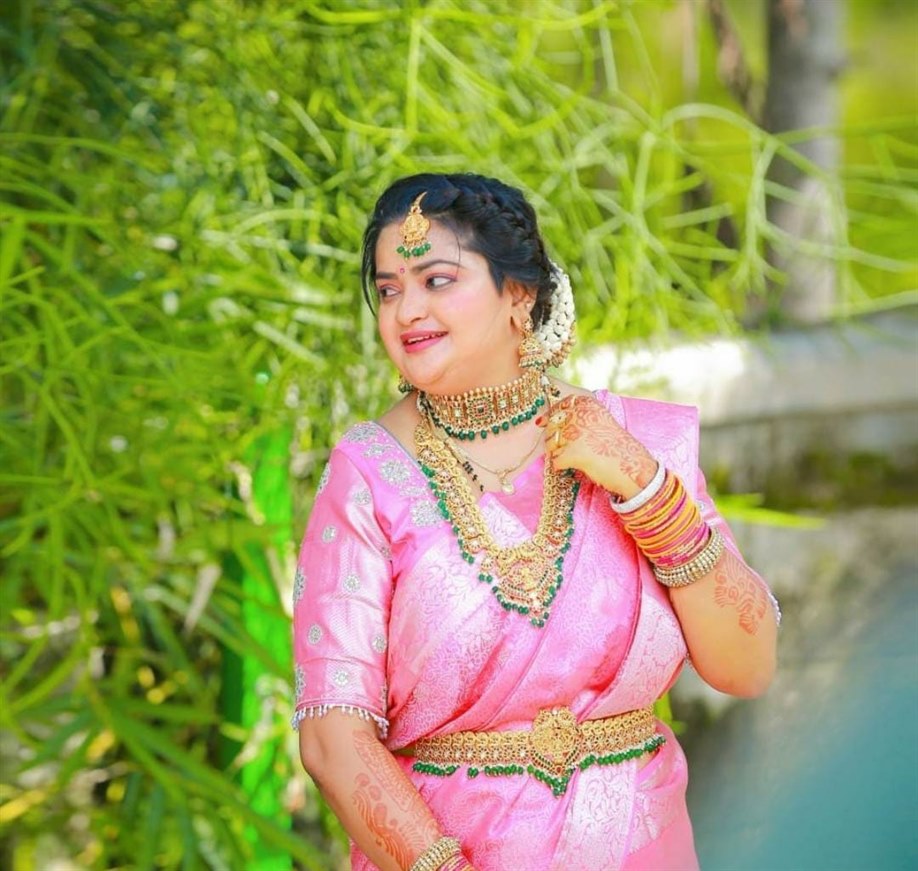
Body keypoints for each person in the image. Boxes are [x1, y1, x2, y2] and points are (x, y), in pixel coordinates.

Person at [291, 172, 779, 871]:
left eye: (436, 280)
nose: (406, 311)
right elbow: (333, 739)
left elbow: (748, 665)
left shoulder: (634, 443)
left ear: (519, 294)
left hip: (638, 841)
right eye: (389, 289)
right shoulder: (367, 476)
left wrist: (644, 489)